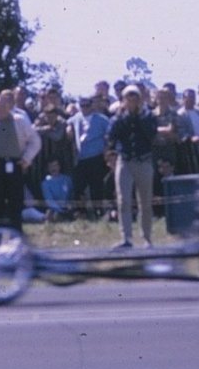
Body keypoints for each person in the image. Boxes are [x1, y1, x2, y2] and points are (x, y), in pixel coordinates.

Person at [0, 90, 41, 229]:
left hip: (15, 163)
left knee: (16, 203)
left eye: (4, 105)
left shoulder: (20, 120)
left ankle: (17, 235)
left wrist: (26, 159)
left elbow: (35, 141)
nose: (1, 108)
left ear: (9, 105)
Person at [105, 85, 158, 249]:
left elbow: (151, 134)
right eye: (129, 98)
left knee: (145, 201)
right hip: (125, 161)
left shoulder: (148, 115)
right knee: (123, 201)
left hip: (143, 160)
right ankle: (126, 238)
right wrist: (122, 116)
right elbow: (111, 136)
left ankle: (147, 238)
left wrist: (139, 116)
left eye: (135, 97)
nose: (132, 101)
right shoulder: (119, 117)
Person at [67, 96, 110, 219]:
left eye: (87, 105)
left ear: (92, 105)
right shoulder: (76, 118)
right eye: (82, 105)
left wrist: (106, 150)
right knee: (78, 186)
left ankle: (99, 211)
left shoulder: (102, 119)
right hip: (81, 158)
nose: (84, 108)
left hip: (97, 157)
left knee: (96, 186)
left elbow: (110, 134)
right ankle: (81, 212)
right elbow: (68, 122)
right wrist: (68, 128)